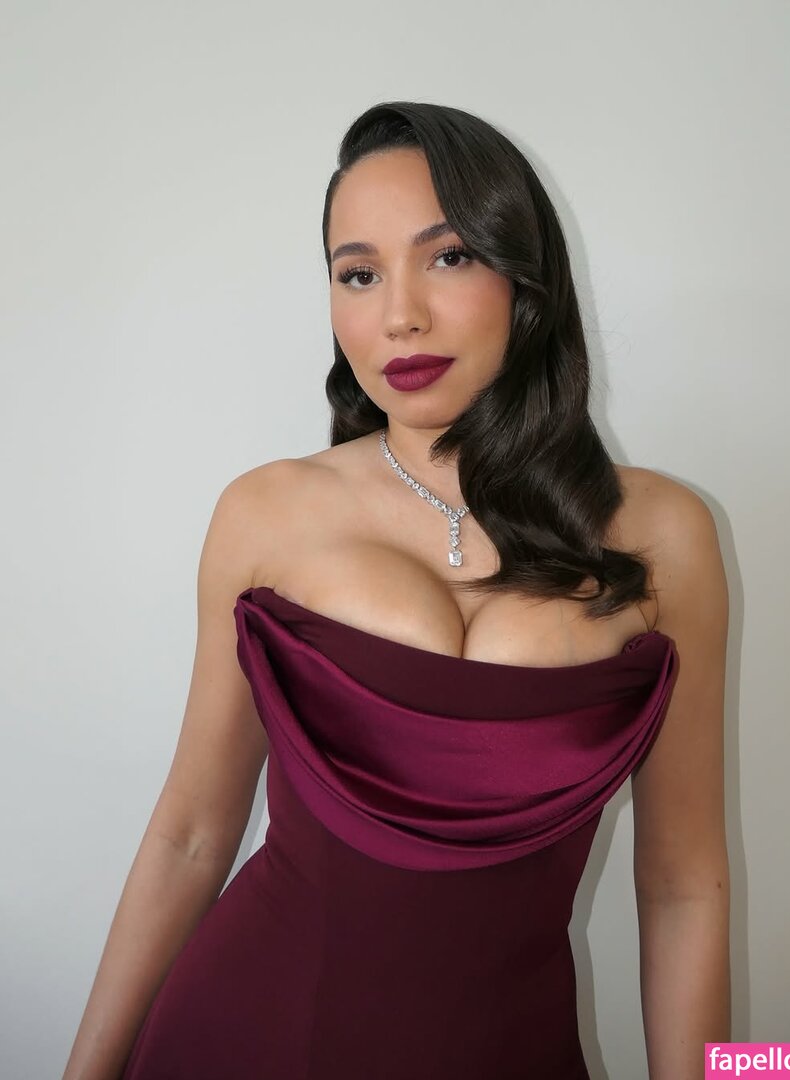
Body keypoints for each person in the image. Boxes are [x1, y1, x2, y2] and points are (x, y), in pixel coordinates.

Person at [63, 100, 731, 1080]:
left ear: (526, 277)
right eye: (359, 274)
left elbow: (683, 885)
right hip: (249, 1035)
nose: (399, 315)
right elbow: (190, 836)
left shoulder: (663, 534)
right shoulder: (266, 512)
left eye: (448, 256)